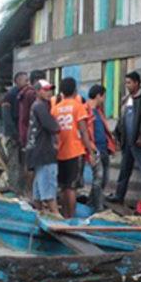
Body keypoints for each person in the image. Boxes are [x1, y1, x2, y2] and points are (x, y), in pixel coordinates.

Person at [109, 71, 141, 205]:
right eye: (126, 83)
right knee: (124, 170)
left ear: (137, 83)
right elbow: (122, 119)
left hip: (139, 142)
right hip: (127, 142)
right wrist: (117, 135)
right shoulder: (126, 99)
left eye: (129, 83)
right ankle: (119, 196)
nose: (127, 85)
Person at [51, 77, 96, 218]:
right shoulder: (78, 107)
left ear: (61, 91)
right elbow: (83, 131)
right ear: (75, 91)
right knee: (71, 188)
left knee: (63, 187)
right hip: (75, 151)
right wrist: (91, 152)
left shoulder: (55, 109)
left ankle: (64, 216)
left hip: (60, 153)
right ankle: (71, 218)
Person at [25, 79, 60, 214]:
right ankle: (57, 217)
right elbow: (53, 127)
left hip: (36, 152)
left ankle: (40, 215)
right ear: (37, 91)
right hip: (44, 152)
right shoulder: (40, 106)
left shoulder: (38, 106)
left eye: (50, 89)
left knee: (39, 190)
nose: (48, 92)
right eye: (45, 90)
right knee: (49, 190)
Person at [86, 84, 116, 211]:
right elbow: (84, 132)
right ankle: (98, 208)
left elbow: (104, 130)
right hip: (94, 149)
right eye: (103, 96)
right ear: (98, 96)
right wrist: (91, 150)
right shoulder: (85, 110)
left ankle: (91, 203)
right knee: (98, 179)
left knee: (104, 179)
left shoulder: (98, 111)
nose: (104, 99)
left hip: (104, 148)